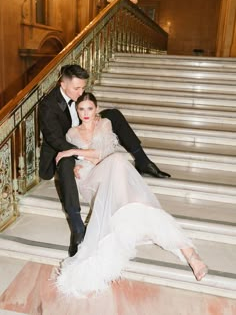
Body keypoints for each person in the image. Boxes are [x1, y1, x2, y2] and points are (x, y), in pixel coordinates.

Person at [55, 92, 208, 298]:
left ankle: (191, 255)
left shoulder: (105, 124)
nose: (86, 113)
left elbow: (104, 154)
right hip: (90, 179)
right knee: (119, 163)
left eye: (90, 108)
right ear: (77, 111)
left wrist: (75, 153)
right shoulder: (72, 133)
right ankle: (128, 213)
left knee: (126, 176)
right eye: (81, 109)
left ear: (96, 109)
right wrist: (77, 161)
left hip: (109, 170)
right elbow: (86, 161)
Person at [38, 64, 170, 258]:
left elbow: (87, 112)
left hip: (83, 137)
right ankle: (76, 226)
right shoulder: (48, 105)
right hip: (63, 149)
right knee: (66, 162)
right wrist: (81, 155)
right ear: (62, 84)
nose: (81, 92)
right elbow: (55, 140)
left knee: (113, 115)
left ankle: (142, 160)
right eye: (77, 88)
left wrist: (93, 124)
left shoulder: (79, 98)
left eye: (83, 87)